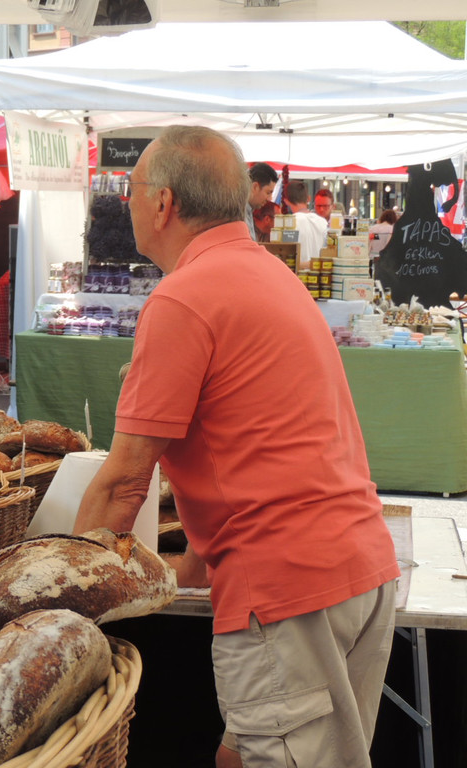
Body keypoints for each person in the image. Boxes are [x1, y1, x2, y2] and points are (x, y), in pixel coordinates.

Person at [73, 126, 399, 768]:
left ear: (162, 203)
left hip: (288, 589)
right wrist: (186, 572)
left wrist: (67, 605)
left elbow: (124, 480)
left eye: (131, 189)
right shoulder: (270, 275)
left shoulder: (183, 297)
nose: (126, 203)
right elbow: (250, 447)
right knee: (244, 754)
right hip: (357, 568)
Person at [284, 180, 328, 269]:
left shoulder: (289, 224)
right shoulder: (323, 222)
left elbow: (285, 254)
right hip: (318, 273)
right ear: (308, 198)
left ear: (286, 201)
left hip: (296, 274)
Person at [245, 162, 278, 239]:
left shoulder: (247, 210)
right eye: (268, 193)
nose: (269, 199)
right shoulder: (237, 213)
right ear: (255, 187)